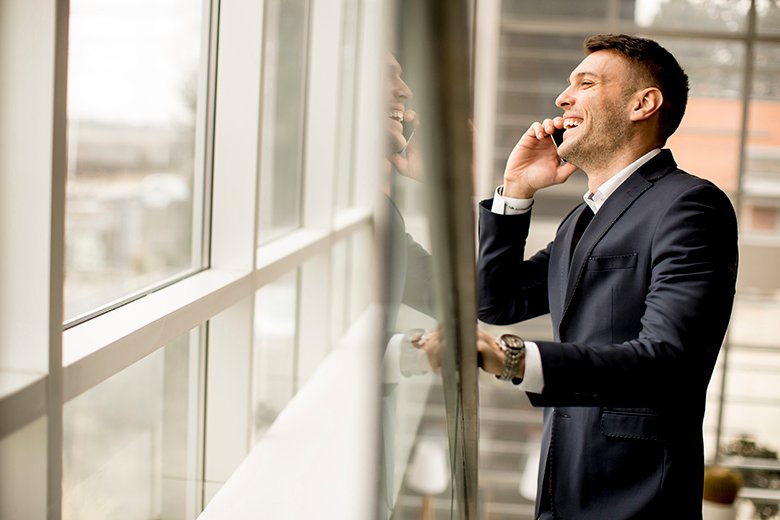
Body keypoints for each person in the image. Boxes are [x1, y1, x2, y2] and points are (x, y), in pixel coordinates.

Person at [475, 33, 738, 518]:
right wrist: (515, 190)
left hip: (633, 497)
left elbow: (668, 360)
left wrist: (513, 360)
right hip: (561, 484)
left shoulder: (690, 206)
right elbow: (497, 302)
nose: (562, 98)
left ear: (644, 104)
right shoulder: (581, 220)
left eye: (586, 83)